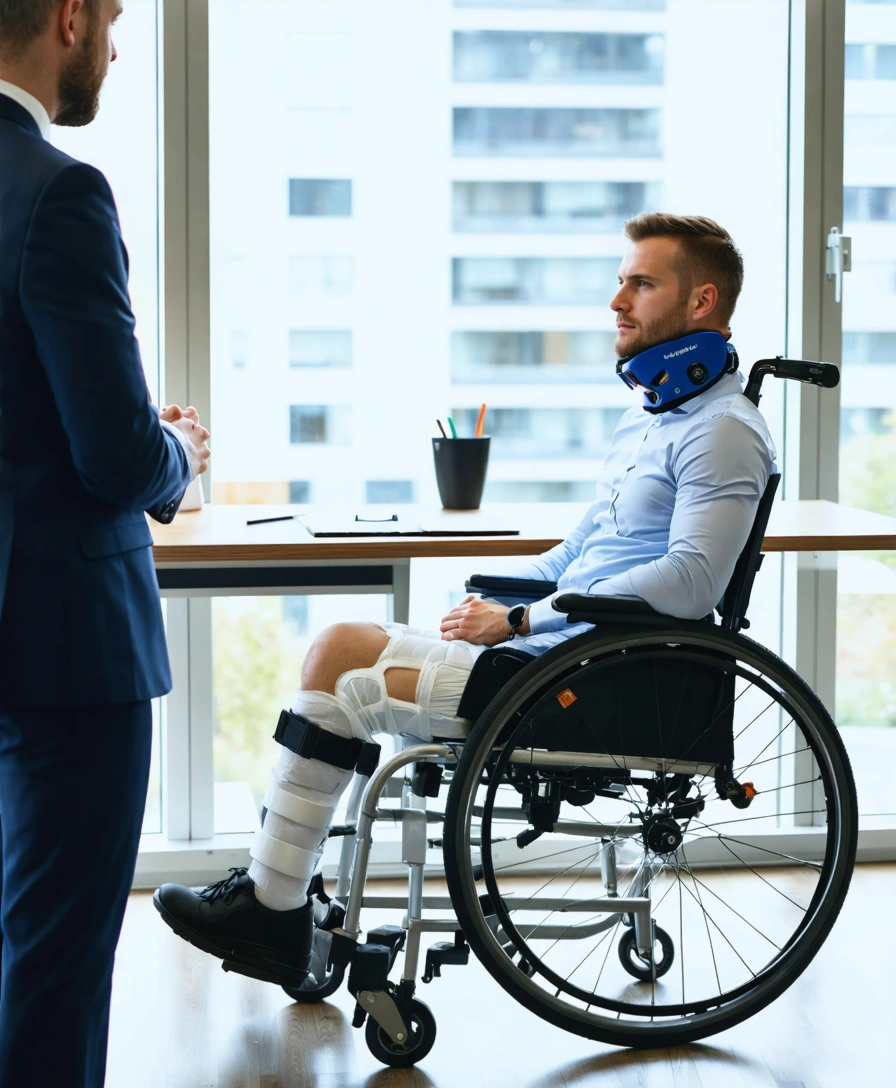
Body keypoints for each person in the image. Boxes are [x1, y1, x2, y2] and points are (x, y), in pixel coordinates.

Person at [154, 212, 775, 990]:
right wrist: (495, 594)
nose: (617, 301)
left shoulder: (724, 431)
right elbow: (581, 549)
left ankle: (273, 906)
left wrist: (521, 618)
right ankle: (279, 901)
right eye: (621, 281)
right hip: (561, 653)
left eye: (641, 283)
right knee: (344, 652)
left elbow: (691, 582)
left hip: (602, 678)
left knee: (344, 659)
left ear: (702, 304)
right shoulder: (653, 421)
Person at [0, 1, 211, 1084]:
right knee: (51, 953)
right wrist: (177, 453)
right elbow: (116, 459)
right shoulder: (58, 192)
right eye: (118, 20)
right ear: (69, 19)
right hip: (60, 644)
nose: (119, 50)